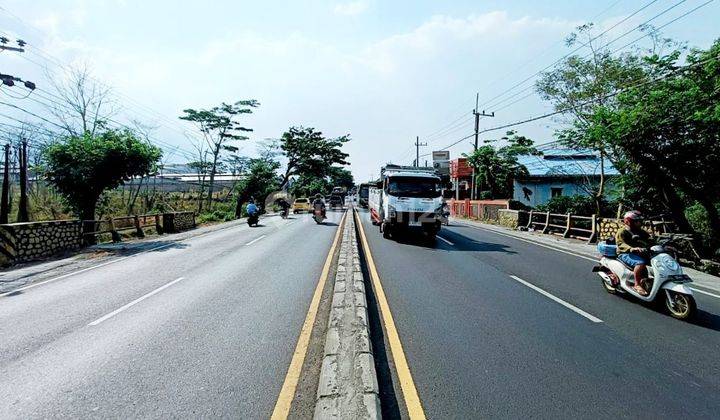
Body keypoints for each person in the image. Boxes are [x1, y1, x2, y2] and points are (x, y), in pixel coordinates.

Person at [615, 210, 653, 296]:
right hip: (624, 253)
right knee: (640, 263)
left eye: (639, 221)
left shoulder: (641, 231)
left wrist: (662, 245)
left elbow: (650, 240)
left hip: (639, 252)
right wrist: (631, 248)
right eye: (636, 221)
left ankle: (647, 280)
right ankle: (637, 284)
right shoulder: (622, 231)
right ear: (628, 221)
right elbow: (621, 244)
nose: (639, 223)